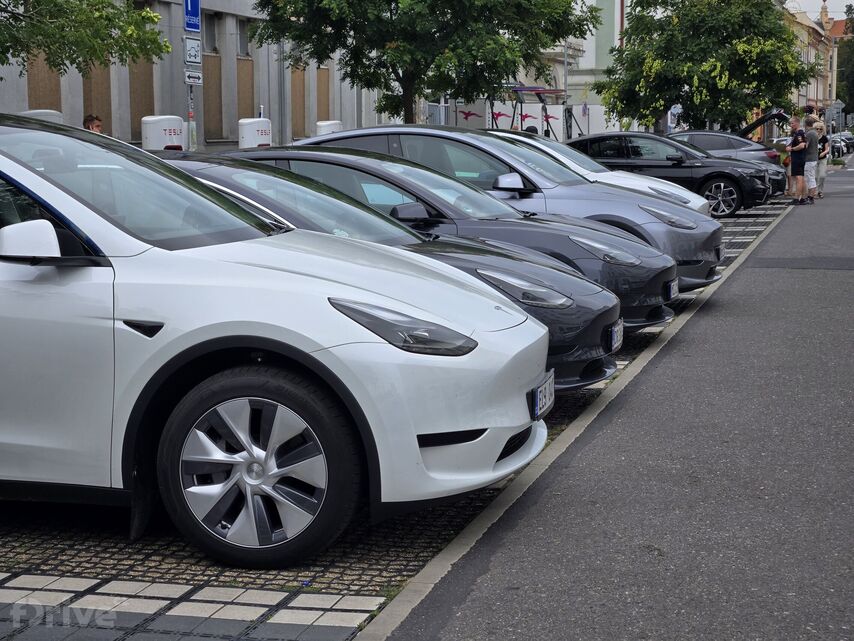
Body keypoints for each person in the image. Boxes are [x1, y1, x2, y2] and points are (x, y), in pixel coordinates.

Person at [785, 116, 808, 205]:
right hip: (800, 158)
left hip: (798, 158)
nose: (791, 125)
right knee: (801, 178)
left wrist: (792, 149)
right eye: (790, 123)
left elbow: (802, 145)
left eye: (792, 123)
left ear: (797, 123)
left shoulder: (799, 133)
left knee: (798, 178)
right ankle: (802, 198)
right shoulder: (800, 133)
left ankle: (796, 199)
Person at [803, 115, 819, 205]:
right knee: (811, 177)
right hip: (814, 158)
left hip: (809, 159)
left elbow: (806, 146)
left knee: (810, 178)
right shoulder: (815, 132)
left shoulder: (809, 134)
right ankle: (810, 196)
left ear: (806, 124)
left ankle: (810, 197)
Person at [815, 120, 830, 198]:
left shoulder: (824, 138)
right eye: (817, 129)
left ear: (822, 130)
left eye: (820, 129)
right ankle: (816, 191)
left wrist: (823, 153)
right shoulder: (813, 137)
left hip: (822, 159)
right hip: (814, 159)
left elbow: (827, 149)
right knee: (814, 176)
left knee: (822, 175)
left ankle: (820, 190)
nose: (818, 130)